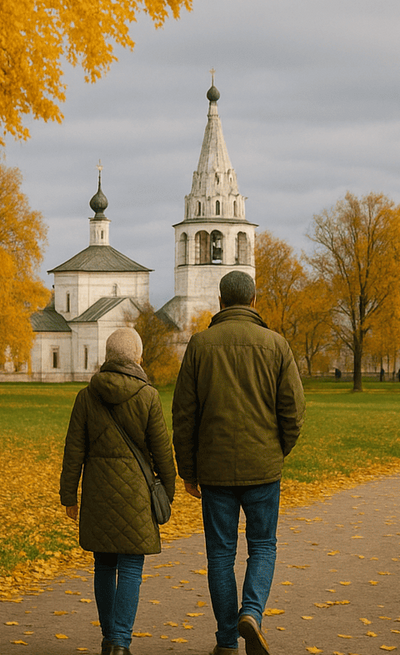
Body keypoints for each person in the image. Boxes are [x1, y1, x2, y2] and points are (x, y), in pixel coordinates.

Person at [173, 271, 305, 655]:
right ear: (252, 300)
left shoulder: (199, 345)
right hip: (262, 467)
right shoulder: (276, 345)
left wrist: (188, 470)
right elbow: (293, 412)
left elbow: (184, 413)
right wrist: (278, 450)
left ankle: (227, 641)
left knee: (220, 553)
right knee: (263, 545)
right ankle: (251, 612)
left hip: (215, 469)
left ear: (221, 300)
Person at [61, 329, 175, 655]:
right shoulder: (148, 396)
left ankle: (110, 638)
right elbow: (162, 452)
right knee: (130, 568)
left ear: (108, 356)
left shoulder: (86, 396)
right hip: (136, 497)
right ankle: (120, 641)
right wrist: (167, 491)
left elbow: (74, 451)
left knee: (104, 566)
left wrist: (69, 495)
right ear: (137, 357)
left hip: (97, 493)